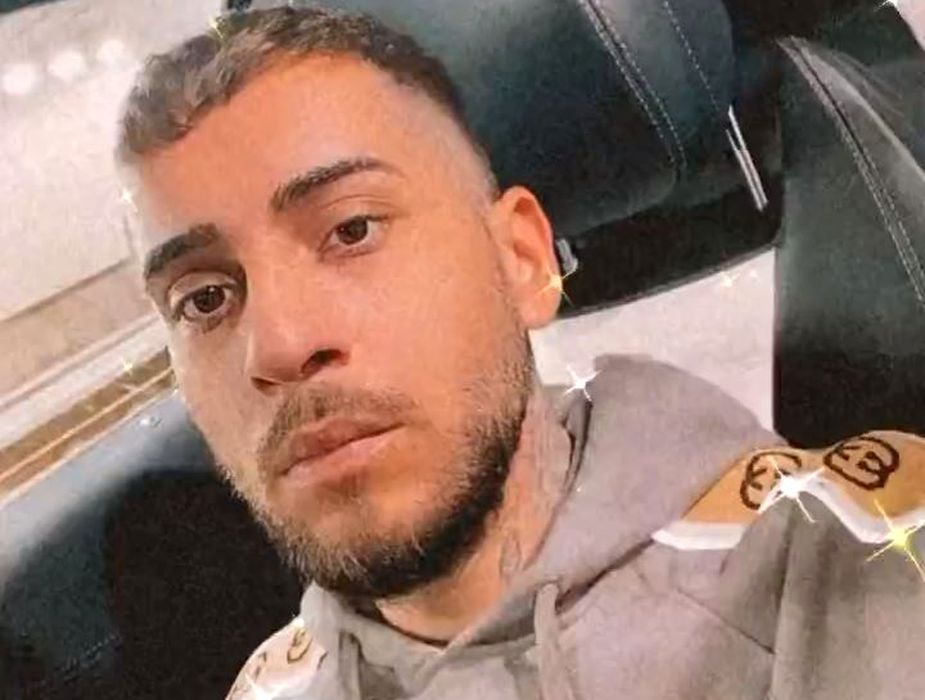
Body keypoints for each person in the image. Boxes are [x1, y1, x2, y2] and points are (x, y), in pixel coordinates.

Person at [114, 6, 925, 699]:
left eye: (351, 230)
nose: (281, 346)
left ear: (523, 260)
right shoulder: (269, 688)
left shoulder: (861, 563)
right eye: (204, 299)